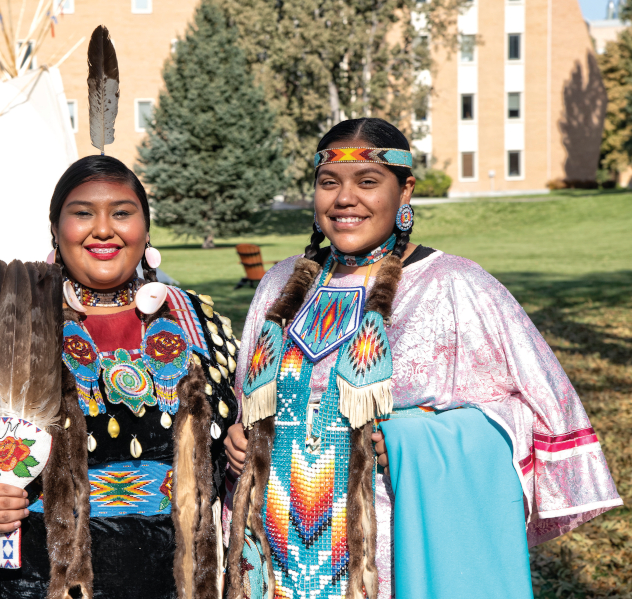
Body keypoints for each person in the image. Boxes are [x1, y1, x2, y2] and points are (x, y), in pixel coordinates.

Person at [223, 118, 622, 599]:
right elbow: (251, 398)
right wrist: (238, 436)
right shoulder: (278, 284)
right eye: (329, 183)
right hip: (273, 545)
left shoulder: (455, 286)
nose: (344, 199)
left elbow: (534, 417)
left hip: (390, 550)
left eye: (368, 182)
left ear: (405, 189)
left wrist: (417, 438)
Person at [0, 155, 239, 599]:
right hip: (27, 578)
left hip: (166, 579)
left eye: (122, 213)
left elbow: (236, 453)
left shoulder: (198, 327)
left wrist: (240, 451)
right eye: (83, 212)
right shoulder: (4, 325)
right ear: (55, 227)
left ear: (146, 230)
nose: (103, 229)